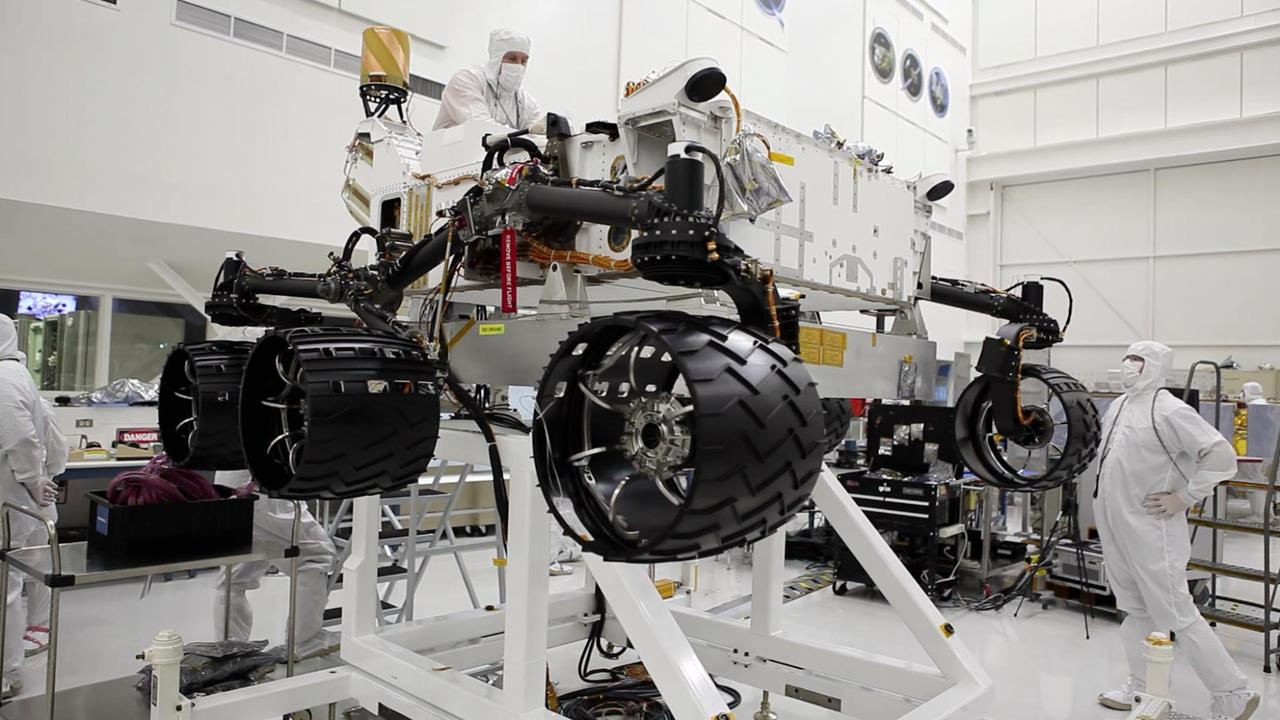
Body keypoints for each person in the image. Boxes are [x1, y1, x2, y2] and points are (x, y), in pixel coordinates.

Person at [1094, 341, 1259, 720]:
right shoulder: (1119, 406)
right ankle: (1141, 688)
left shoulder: (1169, 409)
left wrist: (1184, 497)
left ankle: (1234, 693)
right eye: (1126, 357)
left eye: (1137, 359)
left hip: (1153, 529)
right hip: (1117, 525)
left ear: (1156, 366)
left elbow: (1221, 455)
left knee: (1177, 614)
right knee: (1135, 610)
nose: (1128, 365)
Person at [213, 469, 338, 661]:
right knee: (316, 556)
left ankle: (230, 650)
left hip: (227, 489)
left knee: (234, 577)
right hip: (264, 490)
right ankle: (303, 641)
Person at [0, 315, 60, 699]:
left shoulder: (5, 378)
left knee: (5, 589)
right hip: (12, 497)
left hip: (7, 503)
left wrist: (35, 481)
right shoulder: (12, 376)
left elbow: (21, 439)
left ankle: (6, 675)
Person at [20, 398, 67, 657]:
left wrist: (40, 478)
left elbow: (57, 455)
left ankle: (40, 626)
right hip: (19, 500)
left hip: (34, 502)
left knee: (35, 566)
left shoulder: (38, 406)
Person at [433, 28, 540, 131]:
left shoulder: (526, 102)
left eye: (524, 61)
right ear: (496, 57)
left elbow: (538, 137)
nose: (519, 66)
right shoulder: (467, 79)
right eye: (512, 59)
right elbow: (480, 126)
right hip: (453, 144)